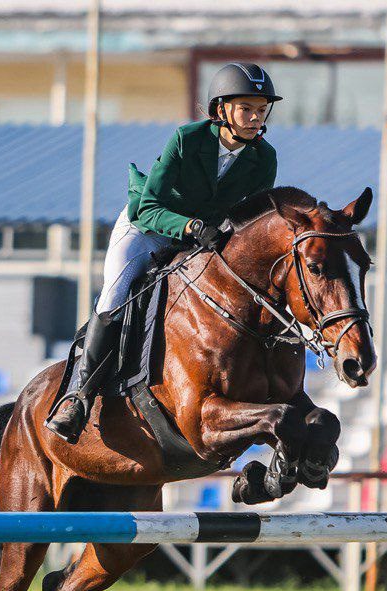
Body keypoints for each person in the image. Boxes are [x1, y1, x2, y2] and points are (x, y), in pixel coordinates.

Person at [45, 62, 282, 443]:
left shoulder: (263, 158)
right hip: (147, 228)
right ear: (221, 109)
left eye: (261, 109)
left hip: (200, 239)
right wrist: (190, 227)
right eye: (246, 109)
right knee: (115, 296)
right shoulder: (187, 140)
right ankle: (78, 397)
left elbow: (248, 218)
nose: (256, 118)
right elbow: (148, 208)